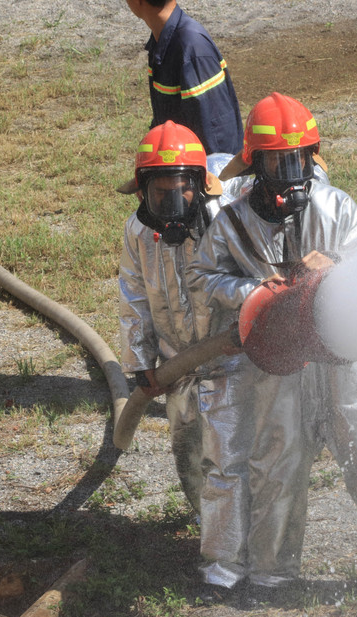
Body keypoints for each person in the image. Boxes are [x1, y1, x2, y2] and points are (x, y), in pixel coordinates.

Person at [187, 92, 357, 605]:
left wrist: (335, 275)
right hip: (276, 363)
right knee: (277, 462)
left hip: (340, 356)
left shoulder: (338, 207)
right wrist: (253, 291)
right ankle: (275, 576)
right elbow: (204, 274)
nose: (291, 173)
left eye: (299, 159)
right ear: (254, 164)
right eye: (278, 161)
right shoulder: (230, 220)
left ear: (312, 157)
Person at [118, 120, 228, 512]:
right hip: (176, 366)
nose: (172, 206)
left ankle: (243, 538)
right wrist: (139, 361)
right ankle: (208, 532)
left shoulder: (225, 220)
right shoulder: (138, 231)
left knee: (236, 455)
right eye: (159, 195)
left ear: (198, 185)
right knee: (189, 453)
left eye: (181, 192)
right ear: (143, 191)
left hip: (234, 362)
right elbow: (133, 294)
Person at [124, 0, 243, 176]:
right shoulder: (162, 40)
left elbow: (217, 141)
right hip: (185, 171)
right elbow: (167, 119)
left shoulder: (192, 49)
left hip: (210, 180)